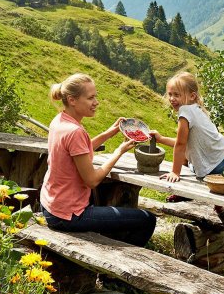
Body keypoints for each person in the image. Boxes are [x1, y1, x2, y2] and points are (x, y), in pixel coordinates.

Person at [40, 73, 156, 246]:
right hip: (69, 215)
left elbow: (79, 150)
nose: (96, 102)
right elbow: (92, 180)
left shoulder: (60, 121)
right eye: (90, 98)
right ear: (72, 100)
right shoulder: (75, 132)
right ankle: (124, 264)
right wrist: (119, 151)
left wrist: (109, 132)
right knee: (147, 219)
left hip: (50, 205)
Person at [150, 71, 224, 220]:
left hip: (214, 160)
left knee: (200, 174)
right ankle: (194, 194)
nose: (172, 99)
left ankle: (213, 201)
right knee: (191, 163)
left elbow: (181, 145)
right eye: (170, 94)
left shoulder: (185, 112)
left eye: (177, 95)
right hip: (221, 152)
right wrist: (160, 139)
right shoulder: (195, 109)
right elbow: (184, 144)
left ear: (192, 96)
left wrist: (175, 172)